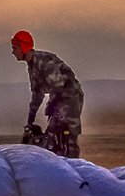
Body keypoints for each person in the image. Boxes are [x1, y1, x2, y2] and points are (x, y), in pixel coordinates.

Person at [11, 29, 84, 157]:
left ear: (23, 47)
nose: (13, 52)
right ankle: (59, 160)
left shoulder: (43, 61)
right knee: (52, 134)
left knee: (68, 133)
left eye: (15, 48)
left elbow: (58, 84)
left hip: (70, 97)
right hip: (58, 98)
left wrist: (51, 104)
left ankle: (74, 165)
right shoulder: (32, 66)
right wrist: (30, 120)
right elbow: (37, 94)